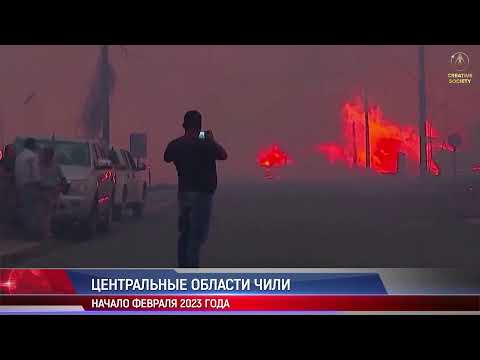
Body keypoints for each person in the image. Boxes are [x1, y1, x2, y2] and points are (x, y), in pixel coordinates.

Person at [164, 110, 228, 267]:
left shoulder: (178, 143)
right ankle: (191, 275)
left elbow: (167, 157)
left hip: (185, 193)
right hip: (203, 194)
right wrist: (210, 140)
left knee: (185, 234)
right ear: (200, 126)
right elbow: (223, 155)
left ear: (184, 126)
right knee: (196, 237)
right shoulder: (206, 142)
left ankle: (183, 269)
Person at [14, 138, 41, 239]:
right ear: (32, 145)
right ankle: (30, 235)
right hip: (30, 186)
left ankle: (24, 232)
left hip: (20, 186)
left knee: (24, 210)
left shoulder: (20, 156)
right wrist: (38, 185)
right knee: (31, 211)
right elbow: (35, 173)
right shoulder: (32, 156)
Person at [38, 146, 66, 242]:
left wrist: (61, 188)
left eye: (48, 154)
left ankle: (45, 232)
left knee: (47, 213)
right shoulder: (40, 165)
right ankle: (45, 233)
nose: (46, 156)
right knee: (45, 213)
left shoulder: (54, 166)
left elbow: (63, 179)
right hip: (43, 190)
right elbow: (63, 179)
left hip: (51, 191)